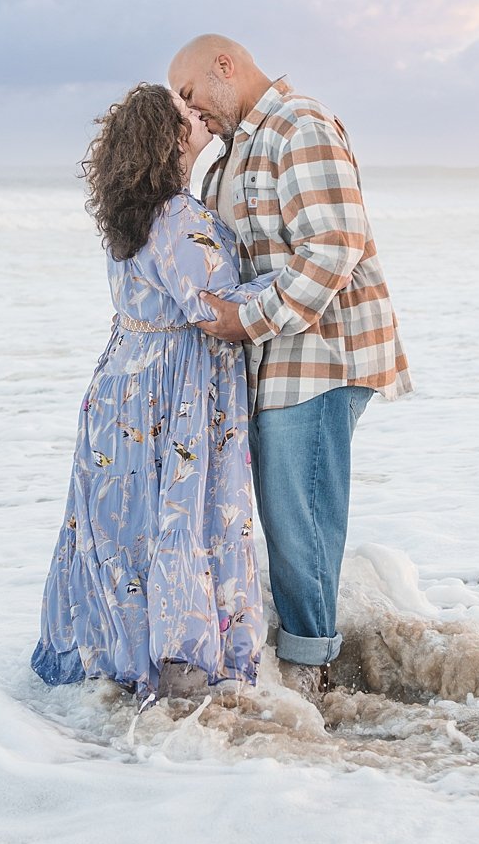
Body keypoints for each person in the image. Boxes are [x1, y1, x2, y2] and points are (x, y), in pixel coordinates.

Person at [166, 35, 412, 700]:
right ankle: (309, 655)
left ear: (225, 66)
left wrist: (246, 320)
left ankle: (310, 680)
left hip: (320, 354)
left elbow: (333, 244)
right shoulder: (230, 153)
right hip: (276, 361)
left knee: (296, 513)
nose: (190, 115)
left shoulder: (296, 124)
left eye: (190, 96)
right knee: (284, 516)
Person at [31, 83, 276, 701]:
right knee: (182, 518)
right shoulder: (177, 216)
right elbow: (209, 308)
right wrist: (301, 279)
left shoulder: (129, 214)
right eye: (185, 115)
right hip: (174, 388)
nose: (197, 116)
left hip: (123, 383)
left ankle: (114, 658)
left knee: (122, 525)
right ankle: (184, 669)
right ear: (168, 141)